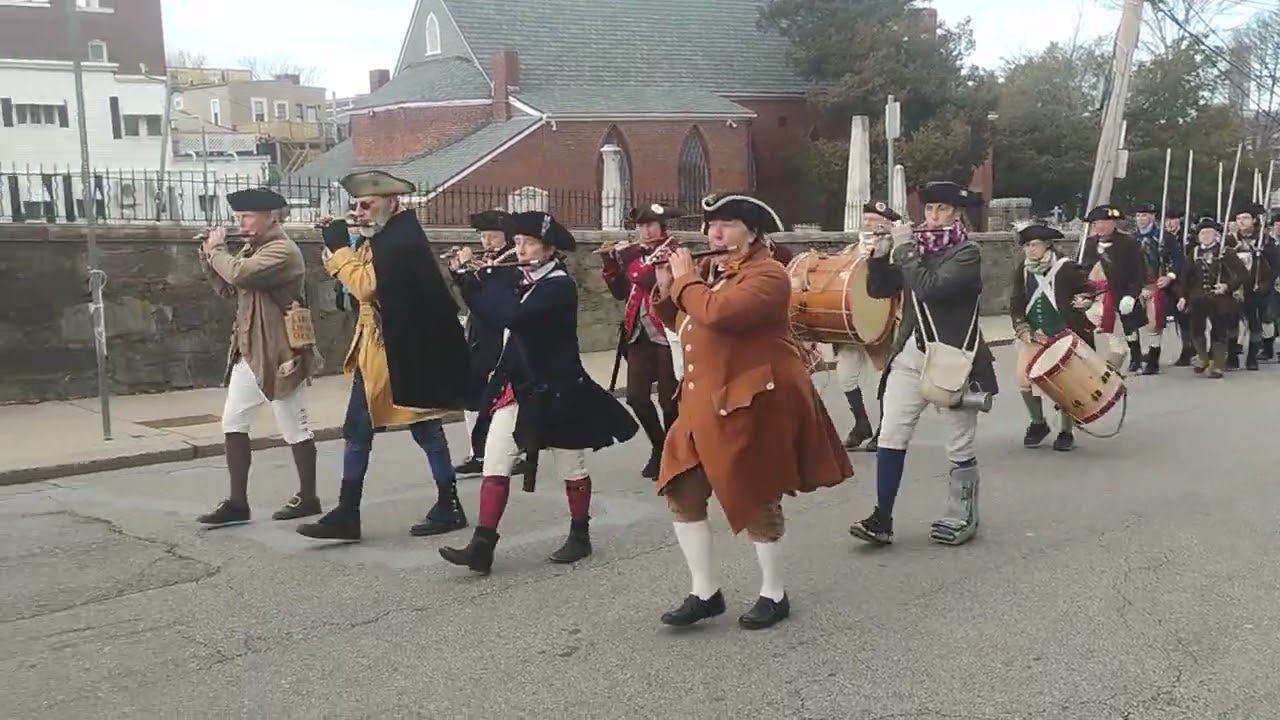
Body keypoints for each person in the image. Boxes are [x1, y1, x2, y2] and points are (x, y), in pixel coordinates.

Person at [649, 191, 850, 630]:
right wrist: (667, 284)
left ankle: (773, 593)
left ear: (753, 232)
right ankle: (705, 592)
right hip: (701, 402)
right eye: (709, 225)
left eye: (726, 224)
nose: (713, 233)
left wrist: (685, 281)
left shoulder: (769, 275)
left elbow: (719, 314)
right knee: (681, 489)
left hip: (749, 400)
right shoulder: (710, 273)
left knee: (756, 493)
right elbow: (683, 318)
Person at [439, 211, 639, 574]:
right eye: (517, 243)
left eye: (529, 244)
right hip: (516, 384)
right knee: (495, 461)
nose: (520, 250)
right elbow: (487, 310)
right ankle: (482, 545)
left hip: (558, 387)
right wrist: (465, 277)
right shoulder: (518, 278)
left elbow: (511, 316)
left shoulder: (558, 285)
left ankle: (580, 534)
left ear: (548, 250)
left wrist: (475, 280)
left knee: (570, 467)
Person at [297, 171, 473, 541]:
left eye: (366, 205)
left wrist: (339, 253)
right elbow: (359, 283)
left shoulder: (400, 241)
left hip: (399, 349)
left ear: (391, 204)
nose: (358, 212)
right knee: (372, 429)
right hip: (378, 348)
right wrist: (344, 248)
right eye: (355, 206)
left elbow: (367, 286)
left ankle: (442, 505)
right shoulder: (382, 238)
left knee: (414, 426)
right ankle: (354, 511)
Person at [848, 181, 996, 547]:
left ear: (957, 213)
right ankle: (881, 517)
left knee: (958, 444)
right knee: (891, 434)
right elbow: (881, 290)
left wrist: (904, 250)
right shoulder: (915, 248)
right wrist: (880, 256)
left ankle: (964, 514)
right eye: (929, 210)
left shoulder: (966, 252)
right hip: (910, 354)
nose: (933, 217)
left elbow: (930, 288)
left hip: (952, 357)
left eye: (942, 210)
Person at [196, 188, 320, 526]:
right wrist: (207, 255)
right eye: (239, 218)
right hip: (249, 350)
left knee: (294, 427)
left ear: (270, 216)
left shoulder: (282, 250)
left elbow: (239, 274)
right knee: (233, 421)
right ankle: (238, 503)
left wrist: (219, 250)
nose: (242, 223)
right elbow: (227, 287)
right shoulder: (253, 250)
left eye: (247, 217)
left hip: (281, 351)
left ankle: (309, 497)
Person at [600, 203, 682, 478]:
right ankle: (660, 448)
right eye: (640, 226)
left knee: (670, 401)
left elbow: (648, 280)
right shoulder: (637, 255)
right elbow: (620, 291)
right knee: (636, 397)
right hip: (638, 332)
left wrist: (631, 256)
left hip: (666, 333)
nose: (644, 232)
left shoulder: (673, 250)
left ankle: (675, 452)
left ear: (662, 227)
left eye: (650, 226)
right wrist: (610, 262)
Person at [452, 210, 527, 477]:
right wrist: (460, 274)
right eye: (483, 236)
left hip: (501, 334)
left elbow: (491, 296)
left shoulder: (512, 262)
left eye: (492, 236)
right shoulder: (490, 262)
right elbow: (473, 297)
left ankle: (516, 451)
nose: (487, 242)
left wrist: (470, 274)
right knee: (472, 391)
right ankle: (478, 451)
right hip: (479, 333)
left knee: (504, 394)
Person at [1009, 223, 1097, 451]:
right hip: (1034, 335)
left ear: (1047, 244)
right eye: (1026, 245)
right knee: (1023, 380)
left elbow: (1088, 288)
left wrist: (1085, 299)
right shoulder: (1024, 269)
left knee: (1063, 385)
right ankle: (1038, 423)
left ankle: (1066, 431)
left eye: (1034, 244)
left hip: (1062, 335)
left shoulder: (1065, 267)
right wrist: (1021, 327)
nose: (1029, 250)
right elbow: (1016, 301)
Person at [831, 200, 899, 451]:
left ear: (888, 225)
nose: (869, 224)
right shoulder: (850, 251)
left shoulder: (894, 251)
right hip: (850, 324)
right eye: (867, 220)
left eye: (875, 221)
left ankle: (886, 428)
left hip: (881, 322)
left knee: (885, 378)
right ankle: (861, 424)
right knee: (845, 375)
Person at [1176, 217, 1248, 378]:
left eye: (1209, 233)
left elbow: (1242, 274)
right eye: (1203, 234)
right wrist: (1182, 297)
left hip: (1220, 298)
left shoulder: (1226, 252)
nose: (1206, 237)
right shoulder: (1193, 253)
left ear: (1216, 235)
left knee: (1219, 331)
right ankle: (1203, 359)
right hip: (1198, 297)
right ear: (1198, 236)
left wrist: (1227, 286)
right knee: (1196, 329)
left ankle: (1218, 364)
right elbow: (1185, 278)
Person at [1079, 204, 1146, 374]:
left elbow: (1138, 273)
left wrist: (1132, 296)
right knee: (1081, 327)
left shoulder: (1129, 243)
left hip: (1121, 294)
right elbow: (1083, 270)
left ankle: (1133, 358)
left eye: (1105, 222)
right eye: (1097, 223)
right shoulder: (1089, 244)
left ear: (1114, 224)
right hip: (1096, 296)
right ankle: (1090, 363)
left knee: (1128, 330)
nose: (1101, 226)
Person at [1223, 203, 1278, 370]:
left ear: (1254, 220)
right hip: (1235, 289)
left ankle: (1252, 358)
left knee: (1255, 323)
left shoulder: (1265, 240)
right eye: (1238, 218)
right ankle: (1232, 357)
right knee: (1232, 323)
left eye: (1245, 218)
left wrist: (1264, 285)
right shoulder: (1230, 240)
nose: (1241, 221)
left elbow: (1275, 266)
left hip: (1256, 288)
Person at [1131, 202, 1183, 374]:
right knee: (1130, 321)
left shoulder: (1164, 237)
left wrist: (1169, 276)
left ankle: (1153, 358)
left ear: (1152, 217)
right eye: (1138, 216)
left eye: (1145, 215)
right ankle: (1135, 357)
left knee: (1154, 323)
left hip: (1156, 283)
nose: (1141, 219)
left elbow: (1178, 260)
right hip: (1136, 284)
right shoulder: (1131, 239)